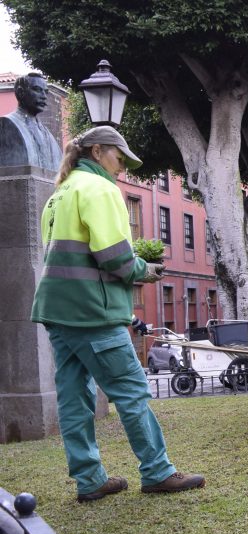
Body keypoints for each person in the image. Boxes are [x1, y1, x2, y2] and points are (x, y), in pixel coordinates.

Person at [30, 126, 206, 502]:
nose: (121, 167)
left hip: (58, 310)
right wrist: (146, 269)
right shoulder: (99, 189)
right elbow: (113, 257)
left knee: (74, 397)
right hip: (93, 312)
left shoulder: (59, 193)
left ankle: (90, 479)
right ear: (98, 151)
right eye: (118, 158)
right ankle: (158, 471)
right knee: (130, 391)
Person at [0, 72, 63, 172]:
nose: (44, 96)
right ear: (21, 92)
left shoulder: (47, 134)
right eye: (37, 90)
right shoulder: (6, 124)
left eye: (45, 92)